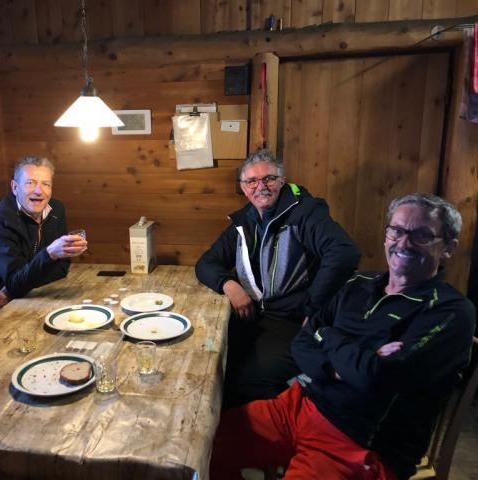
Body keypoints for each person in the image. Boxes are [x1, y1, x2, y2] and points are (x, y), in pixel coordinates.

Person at [210, 193, 475, 480]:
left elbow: (375, 377)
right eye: (396, 231)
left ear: (448, 248)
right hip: (299, 405)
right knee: (201, 446)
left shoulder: (451, 311)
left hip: (357, 443)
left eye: (422, 235)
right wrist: (341, 361)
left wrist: (326, 334)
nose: (404, 243)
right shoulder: (359, 283)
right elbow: (302, 342)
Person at [195, 148, 360, 407]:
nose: (261, 187)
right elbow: (206, 263)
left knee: (244, 380)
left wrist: (313, 307)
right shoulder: (246, 219)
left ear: (281, 181)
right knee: (209, 359)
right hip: (255, 317)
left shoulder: (305, 212)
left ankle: (275, 418)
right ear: (243, 187)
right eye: (251, 181)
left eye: (269, 179)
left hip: (293, 322)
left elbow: (344, 253)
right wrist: (230, 285)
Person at [0, 156, 87, 322]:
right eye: (30, 183)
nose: (39, 191)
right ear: (15, 187)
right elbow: (15, 282)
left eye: (46, 184)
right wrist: (50, 254)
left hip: (30, 297)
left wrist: (12, 288)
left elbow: (62, 268)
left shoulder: (56, 209)